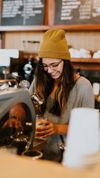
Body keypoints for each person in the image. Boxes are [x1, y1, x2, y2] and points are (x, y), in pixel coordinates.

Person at [28, 29, 94, 161]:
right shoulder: (39, 81)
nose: (50, 70)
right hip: (37, 152)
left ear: (65, 60)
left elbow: (88, 129)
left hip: (66, 156)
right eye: (45, 65)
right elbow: (27, 108)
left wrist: (56, 128)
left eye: (54, 65)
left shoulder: (83, 86)